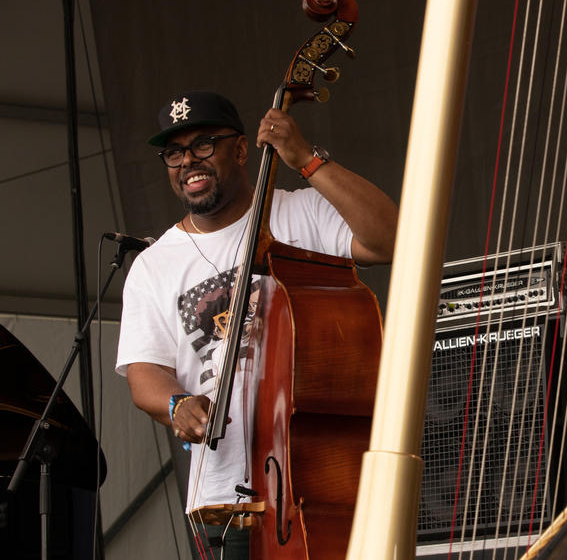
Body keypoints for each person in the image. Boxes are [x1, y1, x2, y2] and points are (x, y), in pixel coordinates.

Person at [114, 91, 398, 557]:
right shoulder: (153, 264)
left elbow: (390, 240)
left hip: (317, 479)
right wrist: (176, 403)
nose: (189, 161)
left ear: (241, 150)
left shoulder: (302, 211)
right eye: (175, 152)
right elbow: (145, 371)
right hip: (221, 500)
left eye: (203, 144)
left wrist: (306, 159)